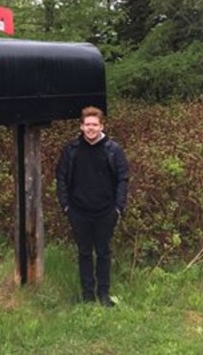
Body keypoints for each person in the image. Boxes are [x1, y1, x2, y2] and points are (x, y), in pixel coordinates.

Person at [56, 106, 129, 307]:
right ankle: (87, 295)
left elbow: (123, 178)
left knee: (104, 252)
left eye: (94, 125)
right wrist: (66, 206)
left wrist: (118, 208)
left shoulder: (113, 150)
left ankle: (103, 294)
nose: (90, 128)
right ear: (81, 126)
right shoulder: (71, 150)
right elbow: (61, 178)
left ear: (101, 126)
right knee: (84, 253)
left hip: (106, 211)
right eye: (87, 125)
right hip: (78, 212)